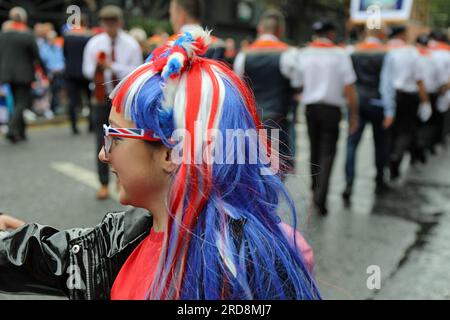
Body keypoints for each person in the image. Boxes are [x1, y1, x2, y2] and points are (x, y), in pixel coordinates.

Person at [0, 28, 320, 300]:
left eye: (114, 137)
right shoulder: (131, 234)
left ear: (171, 153)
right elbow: (59, 258)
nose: (103, 154)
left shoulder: (245, 267)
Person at [296, 20, 359, 216]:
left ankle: (314, 190)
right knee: (328, 154)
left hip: (311, 108)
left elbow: (298, 83)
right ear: (331, 34)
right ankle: (321, 197)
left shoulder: (304, 53)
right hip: (332, 110)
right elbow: (349, 88)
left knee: (314, 151)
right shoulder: (340, 54)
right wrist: (354, 115)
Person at [82, 5, 143, 200]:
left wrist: (112, 66)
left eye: (113, 23)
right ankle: (103, 183)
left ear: (120, 23)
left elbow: (137, 72)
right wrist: (99, 68)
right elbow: (86, 70)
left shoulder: (131, 44)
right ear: (102, 24)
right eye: (106, 23)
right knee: (101, 140)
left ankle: (122, 178)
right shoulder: (94, 43)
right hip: (101, 97)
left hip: (122, 99)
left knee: (124, 139)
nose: (109, 27)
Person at [234, 9, 300, 176]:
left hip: (251, 120)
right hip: (277, 119)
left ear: (260, 29)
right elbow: (298, 84)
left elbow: (239, 87)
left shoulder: (244, 55)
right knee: (274, 170)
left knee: (252, 168)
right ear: (280, 30)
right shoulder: (289, 53)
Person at [342, 26, 391, 203]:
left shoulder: (353, 52)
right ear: (380, 35)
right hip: (377, 102)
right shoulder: (385, 53)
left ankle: (348, 183)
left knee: (352, 144)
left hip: (358, 102)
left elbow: (348, 81)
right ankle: (379, 179)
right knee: (380, 143)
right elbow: (387, 83)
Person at [380, 25, 431, 181]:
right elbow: (419, 79)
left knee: (390, 131)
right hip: (407, 97)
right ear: (402, 35)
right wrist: (425, 101)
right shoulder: (410, 52)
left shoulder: (383, 50)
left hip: (387, 95)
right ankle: (396, 156)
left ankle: (388, 160)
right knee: (405, 131)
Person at [0, 7, 42, 144]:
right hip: (24, 74)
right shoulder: (27, 34)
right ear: (23, 19)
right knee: (22, 103)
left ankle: (21, 132)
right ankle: (12, 129)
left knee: (17, 102)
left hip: (7, 73)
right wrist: (44, 70)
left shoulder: (4, 34)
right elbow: (36, 55)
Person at [63, 13, 93, 134]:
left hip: (70, 72)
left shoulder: (68, 37)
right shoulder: (89, 37)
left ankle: (74, 126)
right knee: (89, 99)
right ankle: (91, 124)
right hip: (85, 73)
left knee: (73, 100)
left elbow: (65, 54)